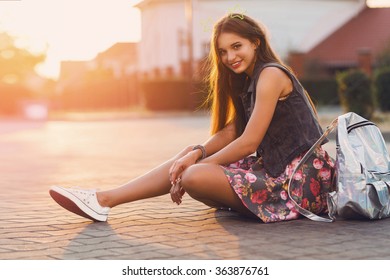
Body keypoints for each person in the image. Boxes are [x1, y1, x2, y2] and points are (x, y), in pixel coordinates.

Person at [49, 13, 335, 223]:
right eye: (223, 51)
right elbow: (232, 131)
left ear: (256, 43)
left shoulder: (271, 75)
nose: (229, 57)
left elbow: (248, 143)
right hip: (276, 172)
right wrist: (195, 153)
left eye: (237, 46)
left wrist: (193, 169)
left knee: (195, 174)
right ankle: (103, 199)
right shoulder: (250, 80)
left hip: (302, 181)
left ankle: (105, 200)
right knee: (188, 161)